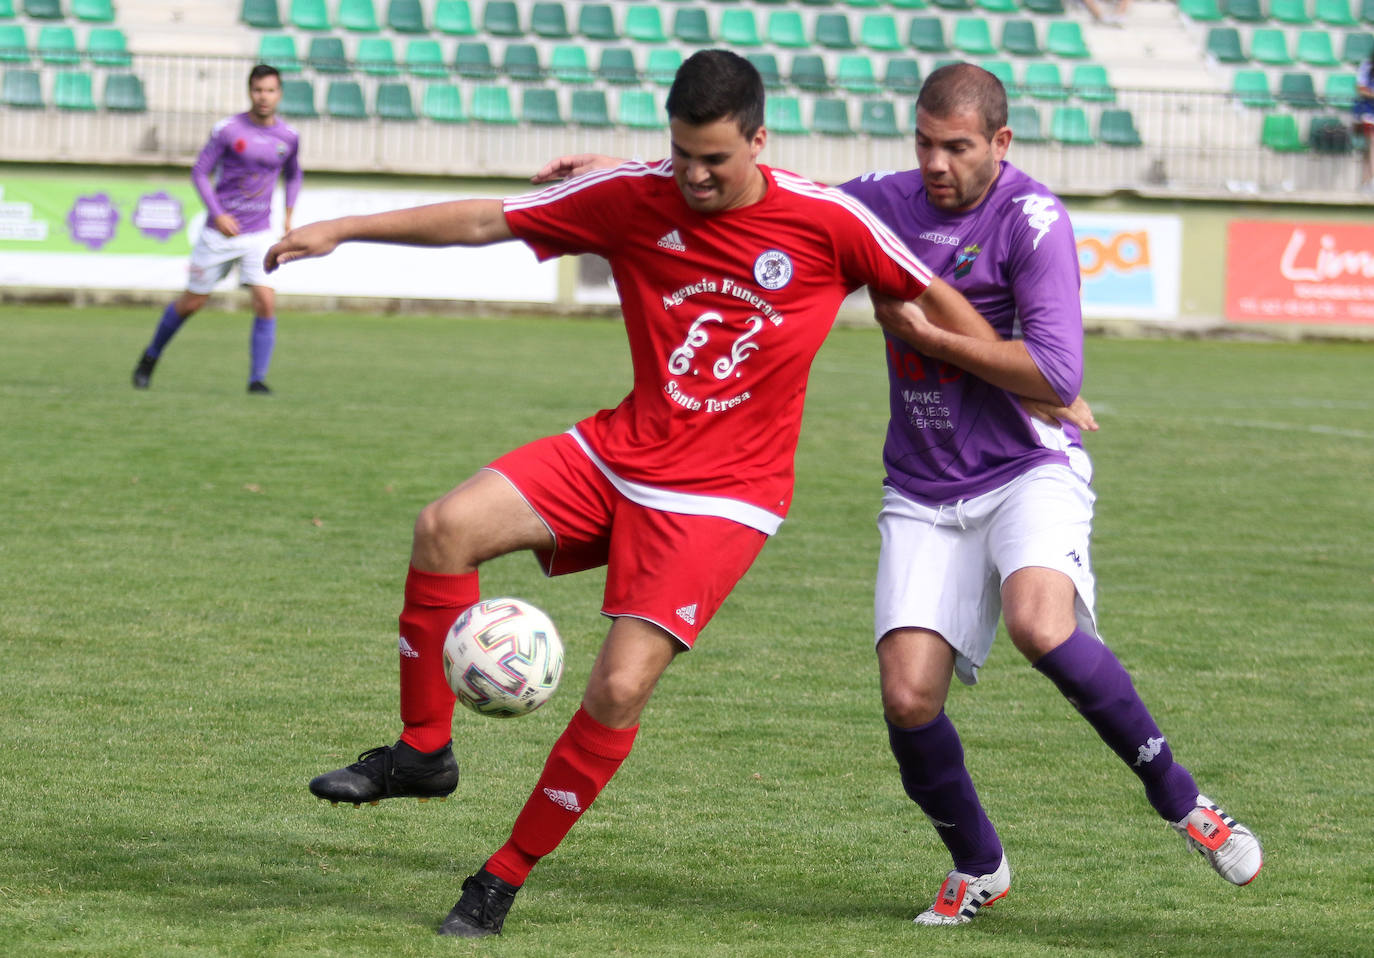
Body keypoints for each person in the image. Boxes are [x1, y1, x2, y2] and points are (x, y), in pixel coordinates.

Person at [263, 50, 1022, 939]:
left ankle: (500, 879)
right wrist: (344, 227)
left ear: (759, 142)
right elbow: (485, 220)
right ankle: (424, 750)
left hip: (723, 500)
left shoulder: (827, 222)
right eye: (681, 155)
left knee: (618, 687)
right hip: (620, 450)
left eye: (715, 160)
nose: (694, 177)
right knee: (445, 527)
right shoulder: (634, 194)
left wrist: (1031, 381)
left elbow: (936, 295)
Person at [532, 61, 1263, 929]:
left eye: (957, 146)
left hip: (1028, 467)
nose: (937, 163)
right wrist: (614, 170)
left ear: (1001, 143)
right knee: (908, 697)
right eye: (924, 142)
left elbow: (1058, 374)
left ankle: (1182, 802)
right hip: (922, 485)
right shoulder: (880, 200)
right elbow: (762, 196)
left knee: (1040, 622)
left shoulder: (1033, 221)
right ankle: (977, 865)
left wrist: (929, 336)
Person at [132, 64, 302, 394]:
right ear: (249, 91)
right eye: (257, 90)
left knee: (266, 301)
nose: (263, 97)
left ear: (279, 94)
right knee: (192, 303)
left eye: (269, 90)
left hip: (259, 234)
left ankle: (257, 380)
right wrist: (219, 214)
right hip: (219, 233)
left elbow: (294, 174)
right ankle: (149, 357)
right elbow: (199, 172)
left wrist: (289, 215)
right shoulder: (227, 129)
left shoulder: (289, 136)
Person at [1353, 54, 1374, 192]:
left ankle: (1366, 183)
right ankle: (1371, 181)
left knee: (1369, 151)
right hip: (1368, 112)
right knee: (1372, 143)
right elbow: (1361, 88)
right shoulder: (1367, 66)